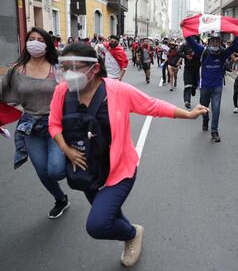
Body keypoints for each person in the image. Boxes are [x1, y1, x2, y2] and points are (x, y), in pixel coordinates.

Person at [49, 42, 208, 267]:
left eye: (75, 67)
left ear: (94, 69)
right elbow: (54, 124)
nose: (68, 74)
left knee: (97, 224)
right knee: (109, 214)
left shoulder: (116, 90)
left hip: (119, 170)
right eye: (65, 67)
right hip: (87, 170)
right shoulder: (62, 91)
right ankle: (130, 235)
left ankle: (132, 234)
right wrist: (66, 150)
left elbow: (152, 105)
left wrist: (188, 114)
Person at [0, 27, 69, 218]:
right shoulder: (16, 70)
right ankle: (61, 199)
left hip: (56, 126)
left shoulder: (58, 69)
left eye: (40, 39)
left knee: (56, 171)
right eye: (32, 39)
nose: (35, 43)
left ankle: (70, 160)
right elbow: (2, 93)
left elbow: (73, 94)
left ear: (47, 45)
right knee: (43, 172)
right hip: (31, 127)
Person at [185, 32, 238, 142]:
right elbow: (190, 41)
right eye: (213, 40)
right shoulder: (203, 51)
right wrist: (184, 28)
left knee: (216, 110)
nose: (215, 43)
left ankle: (214, 131)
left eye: (217, 41)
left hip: (217, 87)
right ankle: (205, 121)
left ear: (220, 42)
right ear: (209, 42)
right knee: (204, 109)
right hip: (205, 86)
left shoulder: (223, 53)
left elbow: (235, 45)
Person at [178, 36, 201, 109]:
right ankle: (187, 101)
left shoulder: (200, 46)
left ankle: (194, 88)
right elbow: (178, 53)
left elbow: (204, 55)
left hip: (197, 68)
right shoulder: (184, 45)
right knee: (187, 85)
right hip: (188, 68)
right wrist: (186, 56)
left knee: (194, 85)